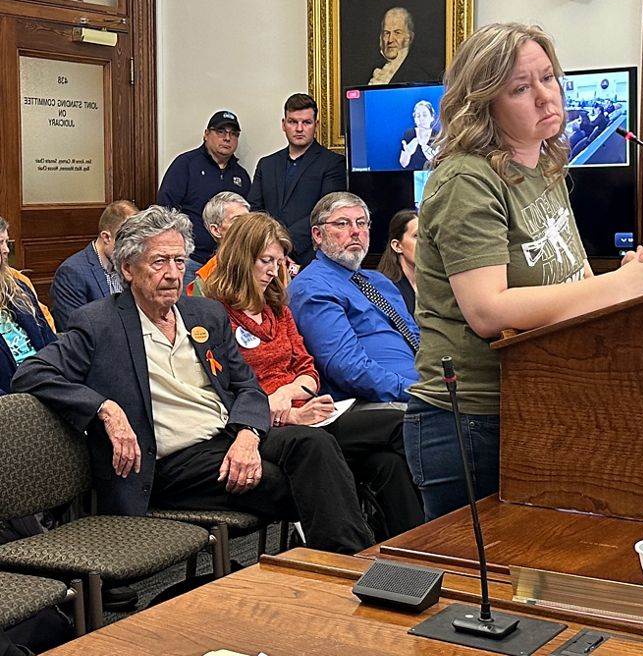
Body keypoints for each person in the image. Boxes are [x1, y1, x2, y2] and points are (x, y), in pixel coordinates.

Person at [408, 22, 643, 520]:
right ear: (483, 104)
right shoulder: (468, 179)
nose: (544, 96)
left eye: (548, 78)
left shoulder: (544, 166)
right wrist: (620, 286)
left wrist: (634, 277)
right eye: (520, 88)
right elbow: (488, 311)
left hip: (544, 398)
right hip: (474, 418)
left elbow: (574, 280)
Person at [12, 206, 373, 554]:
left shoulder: (204, 314)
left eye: (180, 261)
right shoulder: (99, 323)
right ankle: (350, 569)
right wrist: (105, 409)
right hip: (171, 463)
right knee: (292, 482)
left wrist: (248, 435)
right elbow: (32, 373)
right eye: (159, 262)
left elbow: (246, 386)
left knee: (314, 444)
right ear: (128, 268)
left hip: (227, 436)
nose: (173, 274)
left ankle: (348, 563)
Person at [205, 213, 424, 539]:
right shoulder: (215, 315)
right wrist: (285, 411)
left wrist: (291, 391)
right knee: (403, 424)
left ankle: (416, 549)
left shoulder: (276, 309)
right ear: (241, 258)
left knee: (387, 463)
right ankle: (354, 553)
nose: (273, 271)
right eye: (265, 261)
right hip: (263, 425)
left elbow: (308, 369)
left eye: (279, 262)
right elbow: (229, 389)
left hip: (311, 412)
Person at [289, 192, 419, 404]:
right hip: (378, 403)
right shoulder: (313, 287)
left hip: (422, 389)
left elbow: (418, 339)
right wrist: (417, 392)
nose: (356, 231)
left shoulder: (380, 282)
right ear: (318, 235)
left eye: (361, 223)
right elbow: (348, 368)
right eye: (342, 223)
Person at [248, 93, 347, 268]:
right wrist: (271, 246)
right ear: (283, 124)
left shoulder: (333, 163)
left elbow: (326, 212)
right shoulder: (266, 164)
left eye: (306, 122)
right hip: (266, 257)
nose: (299, 128)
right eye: (293, 122)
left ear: (316, 125)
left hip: (312, 258)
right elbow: (255, 210)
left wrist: (283, 244)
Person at [157, 111, 252, 286]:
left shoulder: (241, 175)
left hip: (228, 264)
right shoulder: (186, 165)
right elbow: (165, 210)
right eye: (221, 132)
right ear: (206, 134)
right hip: (191, 260)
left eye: (233, 134)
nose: (227, 138)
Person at [50, 200, 138, 329]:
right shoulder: (72, 273)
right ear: (106, 237)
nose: (132, 250)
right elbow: (75, 332)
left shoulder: (131, 266)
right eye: (126, 243)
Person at [0, 217, 55, 393]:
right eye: (0, 243)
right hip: (12, 398)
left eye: (6, 242)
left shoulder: (18, 287)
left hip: (47, 382)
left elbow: (50, 341)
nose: (6, 250)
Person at [187, 191, 249, 297]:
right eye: (237, 220)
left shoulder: (270, 263)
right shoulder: (205, 279)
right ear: (216, 230)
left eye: (248, 220)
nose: (247, 226)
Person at [368, 7, 436, 85]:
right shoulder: (374, 69)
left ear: (409, 38)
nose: (390, 40)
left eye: (397, 33)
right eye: (386, 33)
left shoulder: (418, 76)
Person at [376, 209, 419, 313]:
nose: (425, 243)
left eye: (427, 237)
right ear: (397, 246)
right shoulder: (384, 288)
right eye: (417, 236)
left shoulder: (438, 282)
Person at [399, 100, 437, 170]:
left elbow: (442, 166)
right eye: (418, 116)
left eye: (425, 115)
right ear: (414, 119)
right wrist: (407, 153)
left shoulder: (438, 136)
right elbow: (403, 164)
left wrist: (433, 159)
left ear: (432, 117)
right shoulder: (409, 134)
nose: (421, 119)